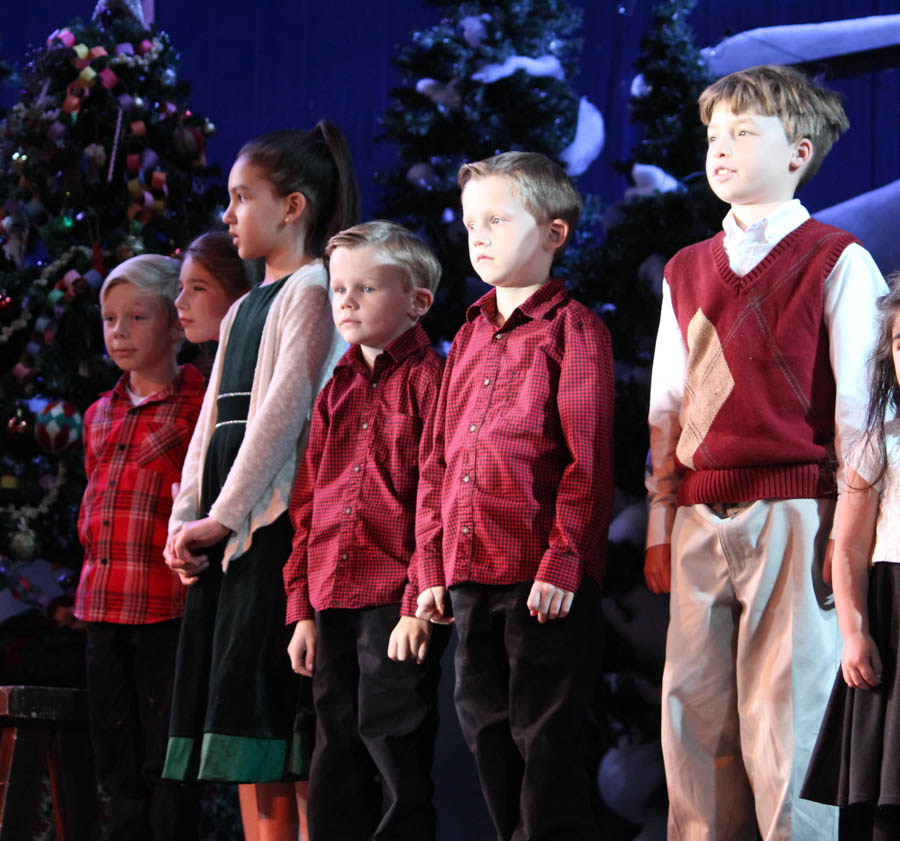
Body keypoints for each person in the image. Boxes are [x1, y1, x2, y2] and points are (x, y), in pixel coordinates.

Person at [643, 64, 888, 841]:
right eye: (714, 136)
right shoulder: (686, 270)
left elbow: (861, 411)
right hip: (698, 515)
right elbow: (667, 406)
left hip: (796, 510)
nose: (721, 149)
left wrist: (850, 536)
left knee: (789, 714)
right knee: (692, 716)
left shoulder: (835, 259)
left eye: (745, 133)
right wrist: (659, 519)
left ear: (799, 151)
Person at [162, 122, 360, 841]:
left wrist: (225, 516)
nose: (228, 213)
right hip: (228, 530)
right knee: (242, 732)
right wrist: (186, 519)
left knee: (282, 724)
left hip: (271, 531)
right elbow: (212, 419)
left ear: (293, 207)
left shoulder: (311, 290)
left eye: (243, 197)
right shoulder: (247, 305)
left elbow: (283, 416)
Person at [415, 151, 615, 841]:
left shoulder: (574, 329)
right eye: (472, 222)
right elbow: (438, 460)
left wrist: (564, 559)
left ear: (554, 233)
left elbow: (586, 459)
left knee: (547, 743)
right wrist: (430, 566)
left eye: (498, 219)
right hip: (471, 575)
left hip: (539, 579)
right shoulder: (466, 336)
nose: (480, 235)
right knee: (487, 732)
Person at [284, 220, 449, 840]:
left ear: (416, 301)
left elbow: (436, 495)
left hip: (393, 599)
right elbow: (310, 503)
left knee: (393, 744)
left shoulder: (432, 381)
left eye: (366, 289)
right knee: (335, 746)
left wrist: (418, 603)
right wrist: (301, 609)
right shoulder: (335, 390)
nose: (347, 302)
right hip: (331, 596)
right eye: (338, 289)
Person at [75, 254, 204, 841]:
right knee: (115, 762)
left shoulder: (198, 403)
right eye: (109, 320)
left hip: (164, 612)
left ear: (175, 324)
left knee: (165, 765)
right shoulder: (99, 415)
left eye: (136, 318)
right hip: (103, 610)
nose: (119, 333)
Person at [800, 273, 900, 841]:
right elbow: (851, 547)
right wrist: (855, 632)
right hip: (893, 619)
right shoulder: (878, 443)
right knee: (885, 791)